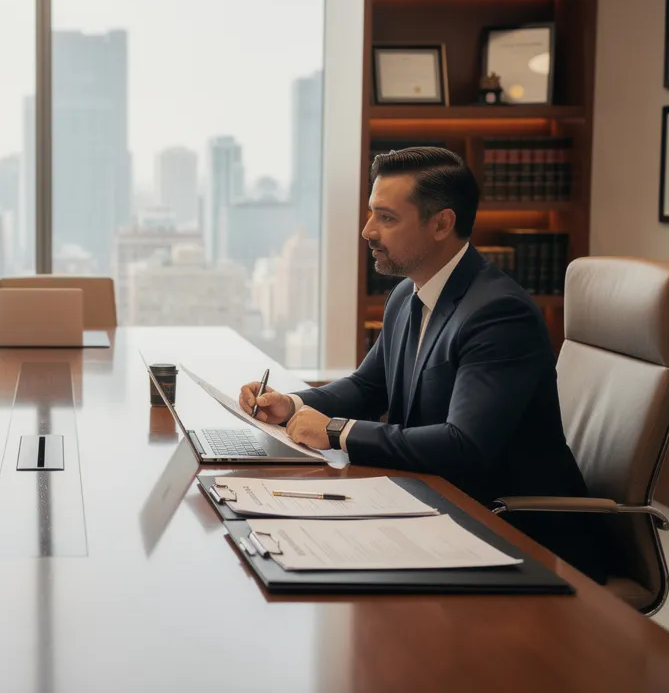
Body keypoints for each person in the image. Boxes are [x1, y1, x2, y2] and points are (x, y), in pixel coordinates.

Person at [238, 146, 602, 579]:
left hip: (513, 530)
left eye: (387, 218)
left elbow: (464, 446)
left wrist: (336, 432)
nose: (367, 230)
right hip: (435, 503)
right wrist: (294, 406)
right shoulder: (407, 294)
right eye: (372, 213)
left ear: (441, 223)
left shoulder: (499, 313)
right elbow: (369, 387)